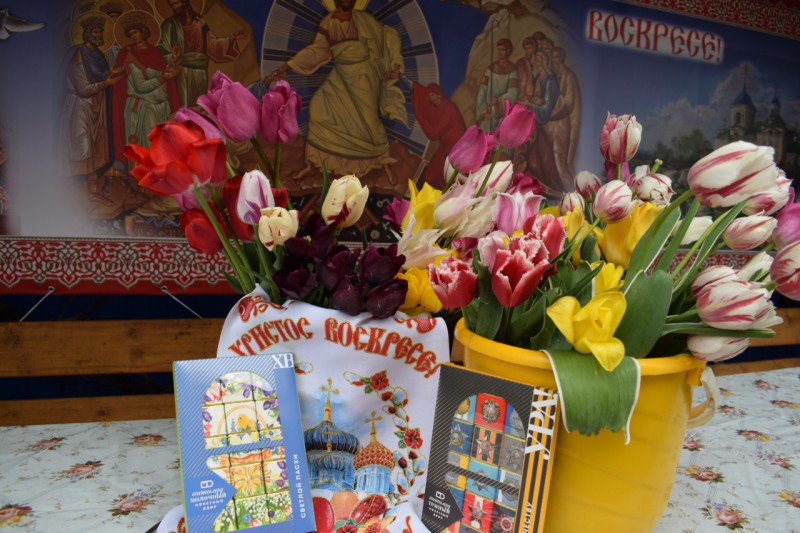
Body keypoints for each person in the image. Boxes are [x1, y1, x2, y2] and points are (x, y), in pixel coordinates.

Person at [263, 0, 407, 183]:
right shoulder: (328, 22)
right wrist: (285, 68)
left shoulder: (364, 20)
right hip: (340, 74)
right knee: (318, 107)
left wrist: (395, 63)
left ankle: (384, 165)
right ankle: (313, 163)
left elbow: (388, 34)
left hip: (364, 76)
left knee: (369, 123)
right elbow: (316, 51)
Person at [62, 15, 121, 205]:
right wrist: (106, 82)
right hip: (79, 107)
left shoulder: (98, 55)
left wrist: (111, 73)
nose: (99, 35)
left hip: (96, 105)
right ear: (87, 34)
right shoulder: (78, 56)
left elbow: (101, 75)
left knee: (95, 149)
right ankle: (68, 193)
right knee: (81, 147)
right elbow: (83, 88)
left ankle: (93, 192)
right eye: (95, 32)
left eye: (100, 31)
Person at [111, 14, 181, 162]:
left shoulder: (153, 51)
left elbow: (155, 70)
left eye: (136, 32)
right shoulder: (128, 55)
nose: (133, 36)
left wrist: (169, 68)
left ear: (143, 32)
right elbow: (141, 86)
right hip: (142, 107)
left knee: (162, 146)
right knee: (147, 148)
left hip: (159, 105)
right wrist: (164, 77)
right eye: (130, 34)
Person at [158, 0, 244, 107]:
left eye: (177, 3)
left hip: (200, 72)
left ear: (184, 2)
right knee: (185, 106)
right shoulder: (169, 25)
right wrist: (173, 56)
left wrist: (231, 39)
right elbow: (162, 51)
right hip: (181, 72)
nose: (174, 7)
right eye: (172, 5)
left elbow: (211, 45)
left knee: (198, 105)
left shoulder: (200, 23)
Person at [411, 82, 467, 189]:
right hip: (446, 149)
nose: (430, 99)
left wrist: (420, 117)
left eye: (432, 95)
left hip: (456, 151)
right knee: (430, 175)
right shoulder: (441, 107)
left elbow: (434, 133)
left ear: (438, 94)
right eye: (428, 97)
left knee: (444, 178)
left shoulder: (448, 108)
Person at [475, 38, 518, 131]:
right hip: (488, 112)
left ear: (508, 51)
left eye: (503, 50)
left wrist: (498, 101)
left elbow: (513, 94)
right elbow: (482, 92)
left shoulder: (512, 71)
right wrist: (483, 112)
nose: (500, 52)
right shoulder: (490, 69)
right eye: (498, 49)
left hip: (502, 112)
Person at [552, 46, 581, 169]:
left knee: (563, 153)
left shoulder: (568, 76)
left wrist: (552, 113)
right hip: (557, 116)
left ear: (561, 58)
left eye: (556, 57)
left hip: (567, 117)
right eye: (552, 58)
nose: (554, 60)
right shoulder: (553, 74)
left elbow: (569, 102)